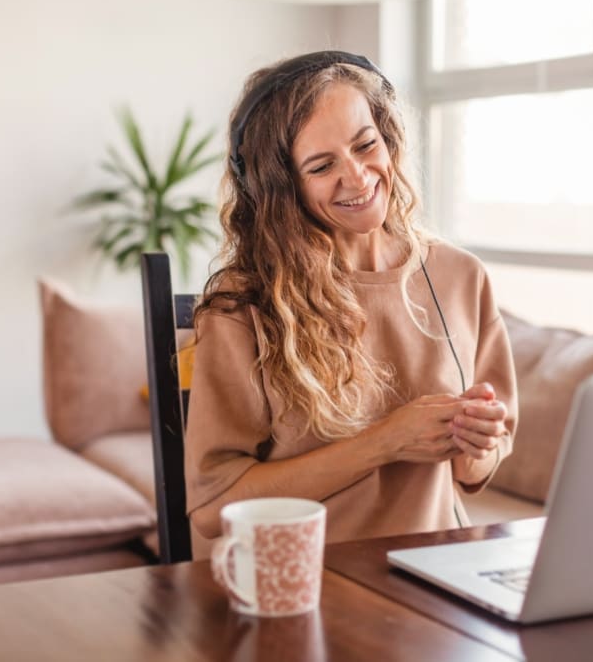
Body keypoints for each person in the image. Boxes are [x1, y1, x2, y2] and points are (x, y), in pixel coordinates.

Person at [185, 51, 517, 543]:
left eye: (366, 145)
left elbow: (473, 472)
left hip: (438, 573)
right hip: (305, 582)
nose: (358, 178)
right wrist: (386, 443)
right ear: (279, 187)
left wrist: (478, 440)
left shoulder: (460, 276)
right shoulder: (245, 304)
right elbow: (214, 507)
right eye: (322, 166)